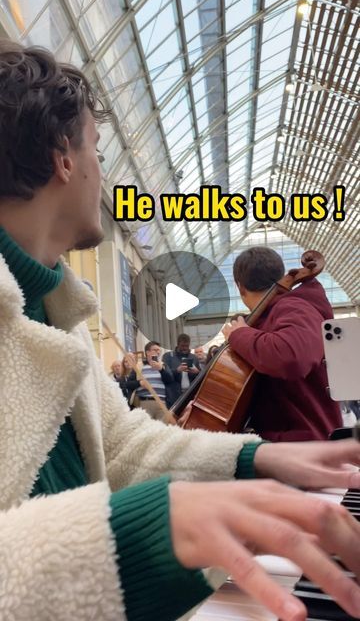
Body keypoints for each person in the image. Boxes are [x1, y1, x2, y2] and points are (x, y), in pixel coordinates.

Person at [0, 40, 359, 621]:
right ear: (62, 157)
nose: (102, 173)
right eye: (96, 150)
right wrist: (145, 531)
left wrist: (256, 460)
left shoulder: (53, 311)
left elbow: (122, 446)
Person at [222, 247, 342, 442]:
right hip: (285, 447)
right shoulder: (268, 318)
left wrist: (239, 335)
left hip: (305, 450)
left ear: (240, 287)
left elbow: (290, 357)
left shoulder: (293, 307)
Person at [126, 341, 174, 420]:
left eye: (159, 350)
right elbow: (128, 384)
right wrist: (140, 383)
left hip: (162, 402)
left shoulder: (163, 365)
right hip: (145, 402)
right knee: (147, 429)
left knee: (161, 429)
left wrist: (161, 369)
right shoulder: (139, 366)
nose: (158, 352)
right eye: (155, 350)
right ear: (147, 352)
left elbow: (170, 380)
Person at [163, 333, 200, 404]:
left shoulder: (194, 357)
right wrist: (177, 370)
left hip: (190, 394)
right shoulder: (168, 357)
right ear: (177, 344)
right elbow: (165, 375)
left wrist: (197, 372)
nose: (185, 348)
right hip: (173, 395)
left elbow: (200, 378)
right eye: (182, 346)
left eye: (187, 346)